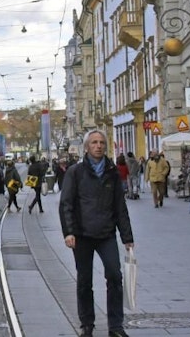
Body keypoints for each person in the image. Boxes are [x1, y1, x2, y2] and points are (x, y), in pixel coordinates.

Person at [60, 129, 134, 337]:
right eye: (94, 142)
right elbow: (66, 203)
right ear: (86, 147)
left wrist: (127, 237)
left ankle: (116, 326)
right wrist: (69, 232)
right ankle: (87, 325)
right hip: (82, 235)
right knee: (84, 281)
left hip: (106, 234)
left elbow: (120, 207)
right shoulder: (76, 172)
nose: (98, 146)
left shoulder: (112, 172)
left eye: (101, 142)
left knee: (114, 276)